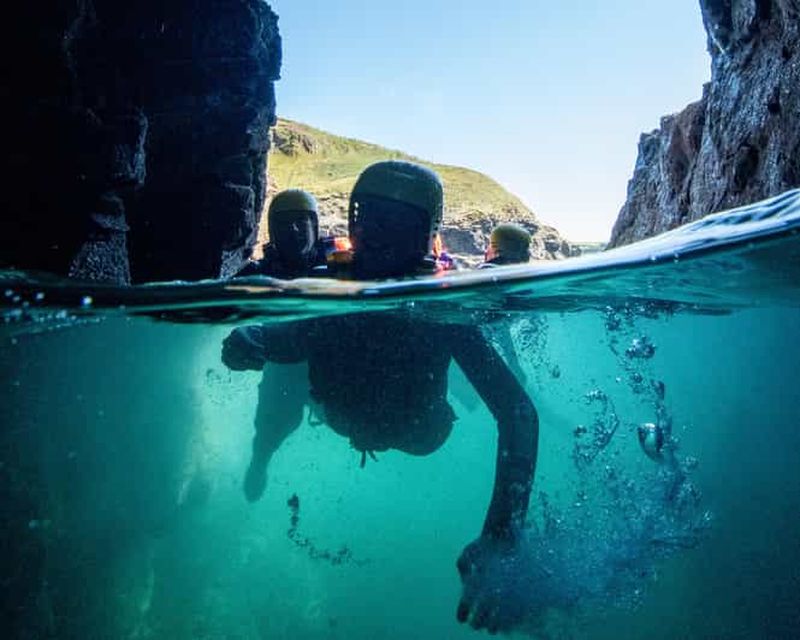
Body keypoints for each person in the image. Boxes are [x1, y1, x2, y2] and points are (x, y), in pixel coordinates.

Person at [222, 161, 540, 633]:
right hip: (387, 420)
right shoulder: (331, 292)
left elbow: (518, 412)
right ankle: (261, 455)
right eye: (373, 220)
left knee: (294, 360)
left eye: (399, 225)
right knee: (282, 380)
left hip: (408, 427)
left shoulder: (440, 307)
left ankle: (266, 444)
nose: (382, 238)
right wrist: (252, 340)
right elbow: (517, 413)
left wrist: (502, 532)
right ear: (355, 223)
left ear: (425, 236)